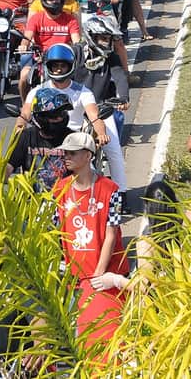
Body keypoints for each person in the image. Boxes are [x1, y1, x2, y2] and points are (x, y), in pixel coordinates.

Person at [53, 131, 128, 351]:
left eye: (73, 153)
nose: (66, 156)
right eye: (65, 152)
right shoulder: (59, 189)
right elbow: (56, 231)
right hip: (75, 279)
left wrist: (99, 275)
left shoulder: (110, 190)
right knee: (80, 341)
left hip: (105, 277)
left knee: (107, 339)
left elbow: (111, 234)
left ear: (87, 156)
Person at [17, 44, 126, 190]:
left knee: (91, 174)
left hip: (74, 140)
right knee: (19, 167)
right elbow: (25, 113)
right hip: (42, 137)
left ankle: (118, 194)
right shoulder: (38, 90)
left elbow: (94, 116)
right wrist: (18, 128)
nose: (59, 69)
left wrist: (101, 133)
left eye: (63, 66)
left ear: (71, 67)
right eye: (55, 66)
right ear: (48, 66)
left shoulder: (83, 91)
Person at [18, 0, 79, 101]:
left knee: (82, 76)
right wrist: (24, 45)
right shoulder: (36, 18)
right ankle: (25, 105)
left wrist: (79, 48)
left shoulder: (70, 20)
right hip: (41, 58)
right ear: (44, 0)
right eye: (52, 0)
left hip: (64, 59)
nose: (55, 2)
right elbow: (27, 37)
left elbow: (76, 40)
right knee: (24, 75)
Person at [5, 87, 73, 191]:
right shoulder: (25, 137)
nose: (59, 118)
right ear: (41, 116)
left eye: (62, 114)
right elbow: (7, 169)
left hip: (67, 201)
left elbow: (85, 175)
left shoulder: (73, 139)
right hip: (30, 201)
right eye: (54, 115)